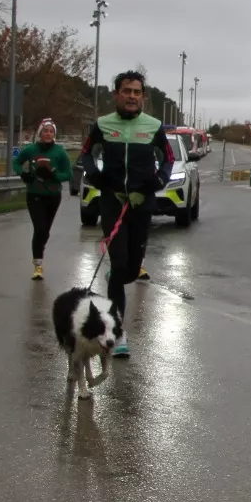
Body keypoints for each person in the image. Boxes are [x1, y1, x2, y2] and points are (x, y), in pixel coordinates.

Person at [78, 71, 171, 355]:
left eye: (136, 92)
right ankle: (117, 333)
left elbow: (168, 158)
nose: (132, 96)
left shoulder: (154, 126)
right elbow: (86, 154)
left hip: (142, 204)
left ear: (143, 97)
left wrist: (159, 180)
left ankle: (117, 277)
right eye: (127, 91)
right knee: (119, 266)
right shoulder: (103, 125)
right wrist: (97, 177)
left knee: (131, 269)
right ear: (116, 94)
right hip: (113, 202)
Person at [14, 118, 74, 281]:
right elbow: (16, 163)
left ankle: (40, 247)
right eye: (45, 131)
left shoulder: (60, 152)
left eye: (51, 131)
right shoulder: (31, 149)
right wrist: (23, 174)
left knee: (45, 231)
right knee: (39, 229)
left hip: (53, 196)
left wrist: (54, 175)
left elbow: (69, 174)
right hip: (34, 194)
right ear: (40, 133)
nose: (48, 134)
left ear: (54, 134)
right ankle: (38, 265)